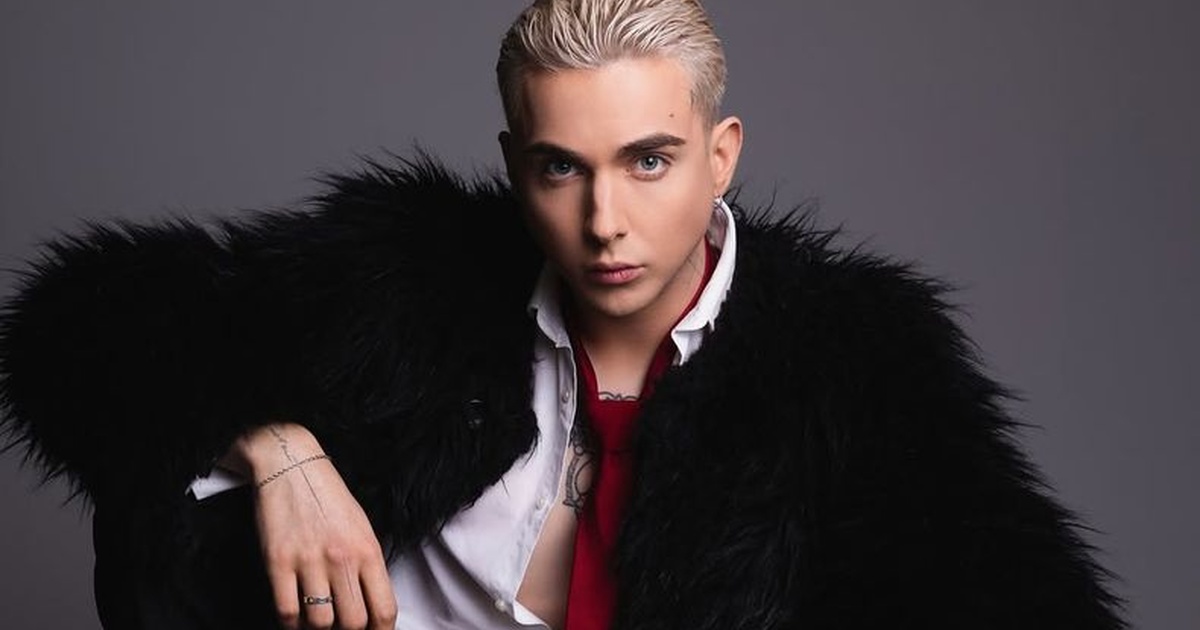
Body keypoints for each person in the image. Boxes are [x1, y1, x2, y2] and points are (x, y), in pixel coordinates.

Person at [0, 1, 1124, 629]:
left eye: (649, 161)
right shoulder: (402, 287)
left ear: (722, 156)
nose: (603, 222)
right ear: (513, 166)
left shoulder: (851, 363)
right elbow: (73, 331)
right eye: (560, 168)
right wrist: (276, 448)